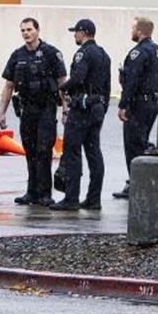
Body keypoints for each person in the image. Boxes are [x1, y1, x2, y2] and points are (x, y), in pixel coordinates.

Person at [0, 17, 68, 207]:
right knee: (30, 150)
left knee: (44, 149)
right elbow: (9, 86)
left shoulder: (51, 53)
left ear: (37, 30)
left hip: (46, 107)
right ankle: (32, 191)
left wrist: (66, 108)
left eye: (29, 30)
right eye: (23, 30)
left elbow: (62, 82)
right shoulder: (17, 55)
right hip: (27, 108)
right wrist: (2, 113)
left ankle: (45, 193)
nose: (26, 33)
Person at [52, 18, 112, 212]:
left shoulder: (83, 54)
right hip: (97, 108)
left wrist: (62, 87)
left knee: (72, 152)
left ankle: (71, 198)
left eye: (76, 32)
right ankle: (94, 198)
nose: (75, 36)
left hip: (82, 108)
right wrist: (103, 107)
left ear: (84, 32)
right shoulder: (104, 54)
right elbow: (107, 86)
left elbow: (78, 78)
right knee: (94, 153)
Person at [113, 17, 158, 200]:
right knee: (141, 141)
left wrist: (123, 104)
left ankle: (137, 183)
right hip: (152, 102)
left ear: (140, 31)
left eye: (133, 28)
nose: (131, 31)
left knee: (133, 144)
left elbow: (132, 80)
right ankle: (143, 181)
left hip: (138, 103)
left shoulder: (139, 52)